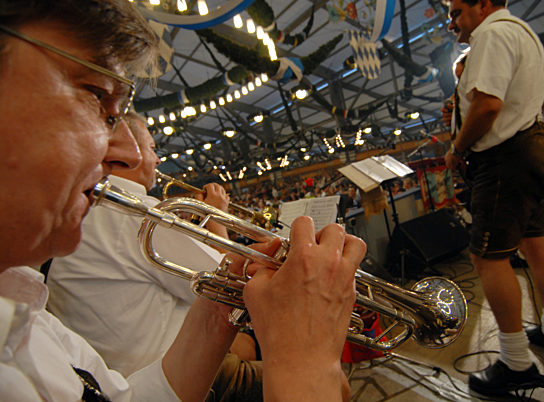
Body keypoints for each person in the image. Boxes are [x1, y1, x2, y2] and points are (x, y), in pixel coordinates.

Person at [0, 1, 366, 401]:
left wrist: (217, 312)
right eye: (96, 96)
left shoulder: (26, 314)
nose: (132, 156)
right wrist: (307, 366)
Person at [46, 112, 263, 400]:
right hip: (168, 376)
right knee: (327, 377)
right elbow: (230, 287)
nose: (158, 160)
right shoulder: (137, 214)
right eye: (151, 148)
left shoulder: (80, 214)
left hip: (114, 373)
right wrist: (218, 220)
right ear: (126, 156)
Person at [443, 0, 544, 396]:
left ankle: (515, 363)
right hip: (535, 144)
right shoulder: (522, 32)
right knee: (537, 242)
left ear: (482, 6)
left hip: (506, 156)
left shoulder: (491, 34)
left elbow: (488, 104)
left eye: (456, 11)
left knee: (487, 257)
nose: (452, 22)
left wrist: (458, 148)